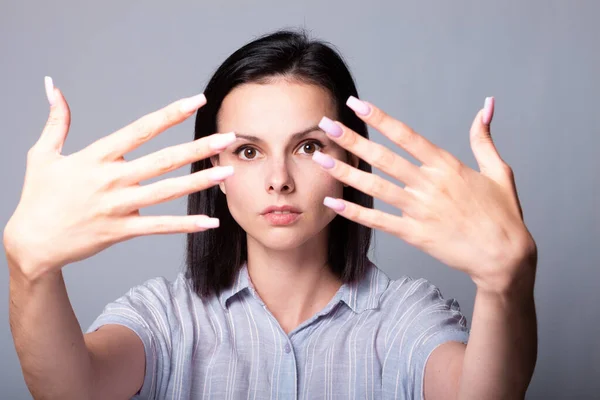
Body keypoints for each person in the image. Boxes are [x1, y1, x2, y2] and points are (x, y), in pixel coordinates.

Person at [5, 29, 538, 399]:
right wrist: (30, 271)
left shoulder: (402, 317)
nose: (278, 179)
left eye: (308, 147)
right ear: (214, 163)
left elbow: (486, 394)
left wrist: (504, 287)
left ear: (351, 158)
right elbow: (73, 389)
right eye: (248, 151)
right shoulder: (168, 316)